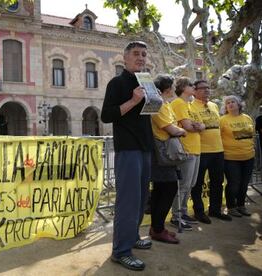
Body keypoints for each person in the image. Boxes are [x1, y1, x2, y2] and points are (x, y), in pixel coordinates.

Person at [101, 41, 153, 271]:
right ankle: (121, 251)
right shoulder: (117, 82)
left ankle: (132, 238)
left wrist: (156, 100)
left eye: (143, 54)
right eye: (135, 54)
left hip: (145, 147)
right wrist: (133, 100)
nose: (140, 58)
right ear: (125, 58)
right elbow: (106, 115)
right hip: (128, 149)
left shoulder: (146, 81)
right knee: (128, 202)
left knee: (141, 199)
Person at [149, 74, 186, 244]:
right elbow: (171, 128)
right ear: (168, 88)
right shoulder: (159, 104)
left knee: (160, 190)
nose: (173, 89)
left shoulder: (164, 104)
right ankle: (157, 229)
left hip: (164, 153)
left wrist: (178, 129)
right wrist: (182, 131)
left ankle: (157, 227)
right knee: (168, 189)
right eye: (172, 86)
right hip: (161, 153)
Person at [191, 80, 232, 223]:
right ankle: (199, 212)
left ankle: (215, 210)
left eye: (208, 88)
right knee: (197, 183)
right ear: (194, 91)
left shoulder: (214, 105)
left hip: (218, 150)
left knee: (218, 181)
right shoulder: (190, 106)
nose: (207, 90)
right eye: (203, 88)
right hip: (201, 150)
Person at [169, 77, 205, 231]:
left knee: (190, 184)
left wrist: (199, 126)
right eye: (191, 85)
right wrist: (198, 126)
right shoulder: (178, 103)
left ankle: (182, 213)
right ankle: (176, 216)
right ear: (183, 87)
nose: (194, 87)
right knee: (183, 186)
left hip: (195, 149)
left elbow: (201, 125)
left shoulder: (189, 105)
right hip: (186, 149)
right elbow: (188, 126)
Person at [220, 95, 255, 217]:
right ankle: (231, 207)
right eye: (228, 103)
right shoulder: (223, 120)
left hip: (249, 157)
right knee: (234, 183)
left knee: (244, 183)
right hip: (230, 158)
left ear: (239, 104)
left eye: (232, 101)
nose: (230, 104)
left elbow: (252, 136)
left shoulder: (247, 118)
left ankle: (241, 205)